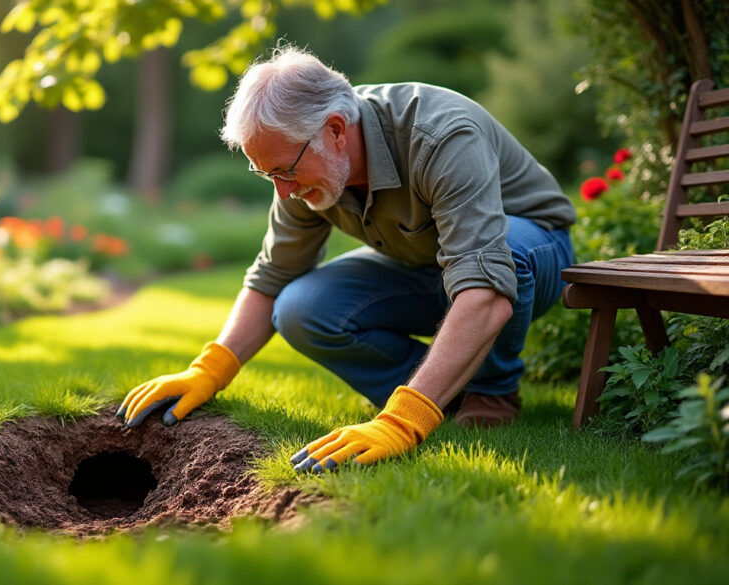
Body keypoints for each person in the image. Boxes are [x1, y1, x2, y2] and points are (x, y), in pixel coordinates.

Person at [117, 45, 576, 473]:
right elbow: (273, 276)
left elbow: (487, 287)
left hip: (529, 254)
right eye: (267, 174)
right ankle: (445, 389)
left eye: (286, 171)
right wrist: (210, 369)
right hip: (428, 266)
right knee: (298, 306)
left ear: (336, 130)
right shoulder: (301, 160)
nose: (283, 191)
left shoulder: (440, 135)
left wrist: (403, 422)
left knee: (504, 257)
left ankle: (490, 393)